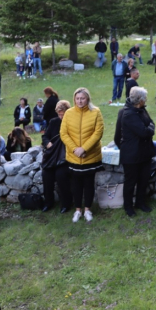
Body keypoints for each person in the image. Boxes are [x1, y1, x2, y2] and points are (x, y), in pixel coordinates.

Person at [60, 87, 104, 223]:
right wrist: (75, 149)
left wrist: (84, 148)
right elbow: (64, 133)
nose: (80, 101)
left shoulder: (96, 112)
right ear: (74, 99)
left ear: (87, 99)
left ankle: (87, 210)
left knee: (89, 184)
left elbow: (98, 132)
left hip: (90, 156)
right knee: (76, 184)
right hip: (74, 157)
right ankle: (78, 210)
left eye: (82, 98)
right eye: (77, 98)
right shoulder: (68, 113)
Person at [114, 87, 156, 217]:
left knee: (143, 179)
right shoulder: (127, 114)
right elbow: (144, 132)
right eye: (145, 98)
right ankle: (128, 207)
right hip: (131, 155)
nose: (146, 100)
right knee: (131, 181)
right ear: (140, 100)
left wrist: (149, 129)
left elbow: (151, 124)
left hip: (144, 153)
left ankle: (140, 203)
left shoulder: (141, 110)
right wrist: (149, 130)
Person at [41, 100, 73, 213]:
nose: (61, 116)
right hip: (54, 155)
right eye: (59, 114)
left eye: (63, 114)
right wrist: (48, 143)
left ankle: (66, 203)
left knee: (61, 174)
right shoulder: (54, 122)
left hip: (66, 157)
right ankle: (48, 202)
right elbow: (45, 137)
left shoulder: (71, 123)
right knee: (46, 174)